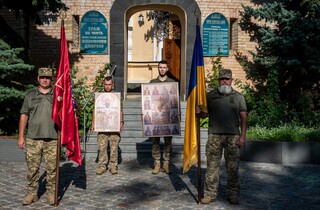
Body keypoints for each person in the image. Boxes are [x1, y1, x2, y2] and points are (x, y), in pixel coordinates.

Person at [197, 69, 247, 205]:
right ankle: (209, 194)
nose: (224, 81)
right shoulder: (210, 96)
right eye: (222, 79)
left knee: (233, 167)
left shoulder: (239, 97)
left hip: (233, 137)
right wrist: (199, 112)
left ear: (232, 81)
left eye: (227, 79)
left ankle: (233, 194)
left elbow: (243, 117)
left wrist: (242, 136)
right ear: (218, 80)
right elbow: (204, 115)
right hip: (214, 136)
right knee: (212, 166)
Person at [18, 67, 58, 206]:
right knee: (32, 169)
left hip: (52, 138)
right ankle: (32, 193)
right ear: (38, 78)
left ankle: (51, 193)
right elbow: (24, 115)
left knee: (52, 168)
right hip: (33, 138)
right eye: (42, 77)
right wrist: (21, 136)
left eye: (47, 77)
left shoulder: (57, 96)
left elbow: (65, 115)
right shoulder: (30, 96)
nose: (45, 80)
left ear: (51, 79)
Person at [92, 76, 124, 175]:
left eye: (109, 84)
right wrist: (93, 122)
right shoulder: (99, 97)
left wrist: (121, 122)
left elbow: (120, 110)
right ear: (103, 85)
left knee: (114, 146)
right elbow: (95, 110)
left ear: (113, 85)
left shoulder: (117, 96)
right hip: (102, 125)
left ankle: (113, 166)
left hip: (113, 124)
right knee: (102, 146)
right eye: (106, 84)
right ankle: (102, 166)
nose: (108, 86)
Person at [149, 60, 176, 174]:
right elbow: (149, 100)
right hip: (156, 116)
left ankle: (166, 163)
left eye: (164, 67)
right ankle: (156, 163)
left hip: (167, 116)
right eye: (160, 67)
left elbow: (174, 100)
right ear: (158, 68)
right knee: (155, 141)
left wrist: (177, 113)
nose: (162, 69)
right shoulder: (152, 83)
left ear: (167, 69)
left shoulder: (172, 83)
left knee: (168, 141)